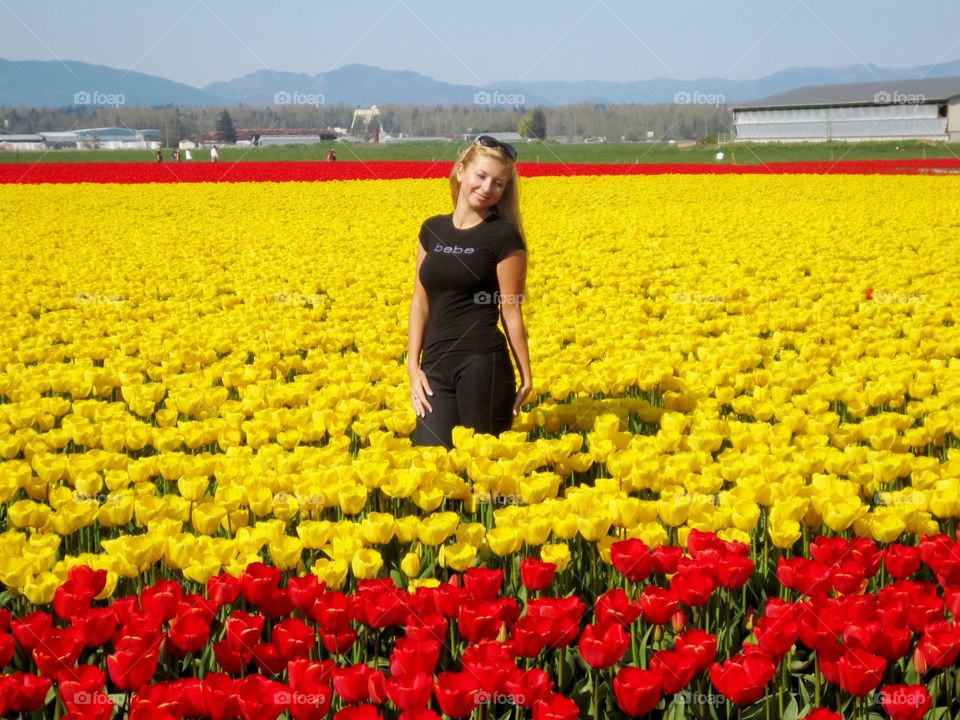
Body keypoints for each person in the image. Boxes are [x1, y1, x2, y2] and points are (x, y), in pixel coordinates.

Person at [408, 135, 532, 448]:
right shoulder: (432, 229)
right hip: (435, 367)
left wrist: (526, 375)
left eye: (498, 183)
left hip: (482, 364)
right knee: (430, 466)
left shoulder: (503, 236)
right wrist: (412, 366)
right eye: (481, 176)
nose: (488, 188)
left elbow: (511, 309)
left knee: (484, 468)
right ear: (461, 172)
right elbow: (420, 302)